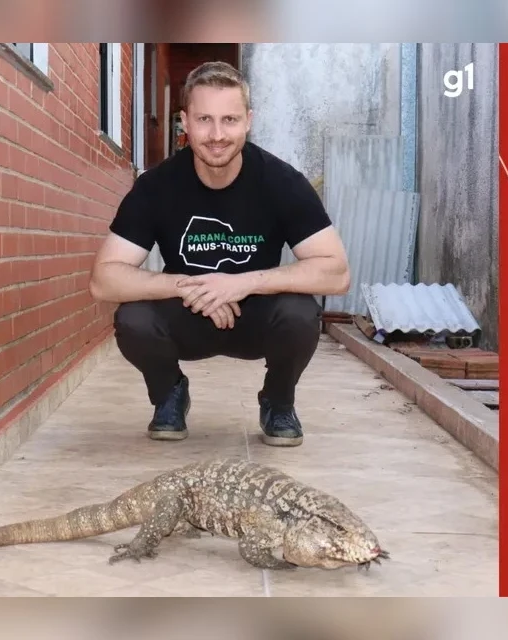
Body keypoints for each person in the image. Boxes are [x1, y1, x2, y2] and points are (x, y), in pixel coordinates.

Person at [87, 60, 350, 447]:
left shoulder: (281, 182)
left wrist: (241, 284)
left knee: (301, 314)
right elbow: (103, 280)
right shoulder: (156, 186)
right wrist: (192, 286)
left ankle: (278, 402)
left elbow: (337, 272)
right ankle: (169, 394)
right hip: (188, 314)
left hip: (256, 316)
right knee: (133, 318)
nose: (216, 135)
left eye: (229, 120)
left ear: (248, 121)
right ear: (185, 122)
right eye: (204, 119)